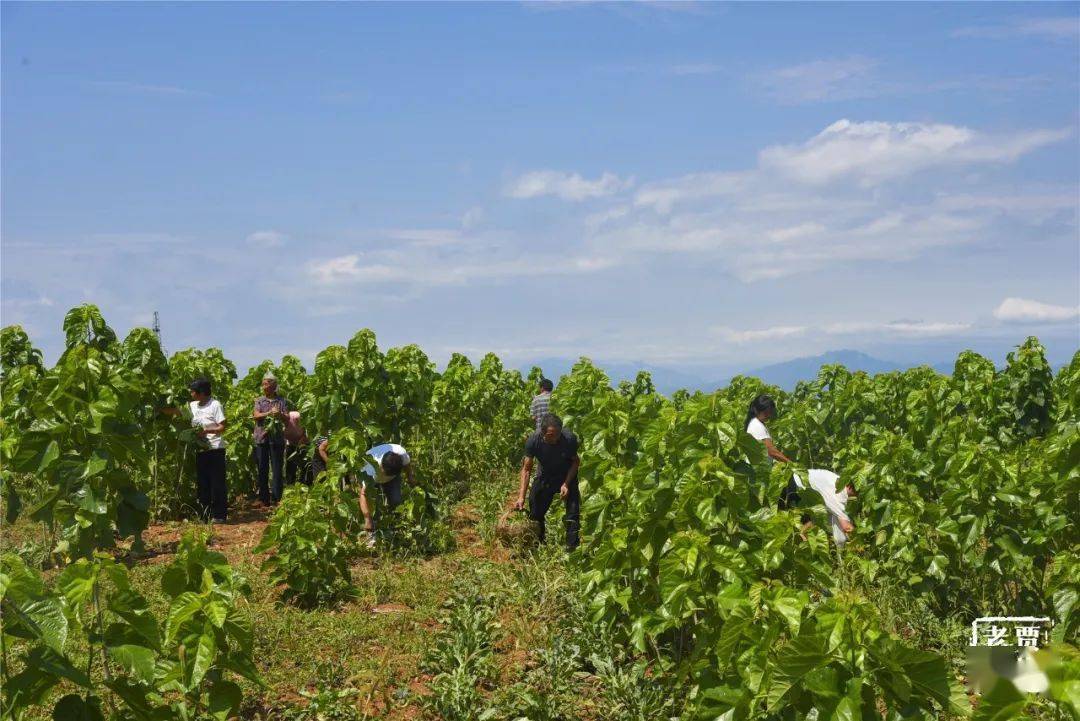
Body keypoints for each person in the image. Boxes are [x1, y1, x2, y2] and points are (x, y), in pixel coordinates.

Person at [515, 413, 580, 550]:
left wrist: (566, 484)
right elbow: (526, 470)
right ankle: (539, 543)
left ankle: (572, 550)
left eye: (558, 434)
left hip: (566, 475)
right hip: (545, 475)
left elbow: (575, 462)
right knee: (535, 509)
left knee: (573, 513)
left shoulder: (569, 439)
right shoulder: (533, 441)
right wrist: (521, 497)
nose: (555, 439)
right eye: (551, 435)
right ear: (543, 432)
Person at [745, 394, 800, 509]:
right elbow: (771, 451)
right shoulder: (756, 425)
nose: (768, 415)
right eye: (766, 412)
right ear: (756, 410)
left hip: (761, 471)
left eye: (770, 412)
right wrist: (790, 463)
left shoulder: (756, 423)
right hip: (759, 473)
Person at [187, 378, 228, 523]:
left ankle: (219, 516)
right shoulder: (192, 405)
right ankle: (204, 515)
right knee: (202, 483)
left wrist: (206, 431)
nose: (191, 393)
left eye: (193, 391)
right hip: (200, 449)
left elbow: (222, 427)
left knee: (217, 483)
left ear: (202, 393)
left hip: (215, 448)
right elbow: (178, 411)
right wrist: (159, 409)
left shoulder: (215, 405)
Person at [359, 442, 414, 547]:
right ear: (381, 467)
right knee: (374, 508)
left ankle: (396, 530)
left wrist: (410, 478)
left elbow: (407, 465)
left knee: (396, 501)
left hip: (393, 479)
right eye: (385, 473)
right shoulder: (370, 466)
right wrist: (367, 518)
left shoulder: (401, 454)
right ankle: (372, 538)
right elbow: (363, 494)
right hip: (373, 479)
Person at [252, 372, 290, 506]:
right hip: (261, 439)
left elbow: (287, 419)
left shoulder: (282, 401)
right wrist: (268, 413)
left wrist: (279, 414)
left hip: (277, 439)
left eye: (266, 384)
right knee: (262, 468)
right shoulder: (259, 401)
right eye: (263, 384)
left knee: (277, 469)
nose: (264, 387)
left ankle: (277, 498)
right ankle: (263, 499)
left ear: (274, 386)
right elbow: (255, 416)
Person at [797, 469, 856, 546]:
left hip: (800, 478)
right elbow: (846, 527)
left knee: (819, 518)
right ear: (849, 487)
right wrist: (859, 540)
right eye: (856, 492)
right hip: (796, 486)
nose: (855, 496)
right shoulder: (838, 495)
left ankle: (803, 540)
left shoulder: (840, 481)